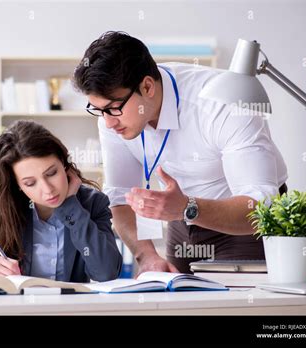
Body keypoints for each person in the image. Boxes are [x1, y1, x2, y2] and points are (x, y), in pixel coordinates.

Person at [73, 31, 288, 274]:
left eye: (113, 109)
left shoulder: (223, 104)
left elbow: (261, 205)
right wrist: (147, 258)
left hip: (243, 224)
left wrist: (187, 208)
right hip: (182, 219)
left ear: (147, 86)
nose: (108, 123)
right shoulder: (112, 116)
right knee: (176, 302)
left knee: (233, 307)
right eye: (99, 110)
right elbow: (120, 197)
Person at [0, 120, 122, 282]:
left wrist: (70, 206)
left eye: (51, 173)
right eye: (30, 183)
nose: (47, 189)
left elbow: (105, 272)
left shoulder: (93, 203)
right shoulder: (3, 208)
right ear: (17, 185)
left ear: (64, 163)